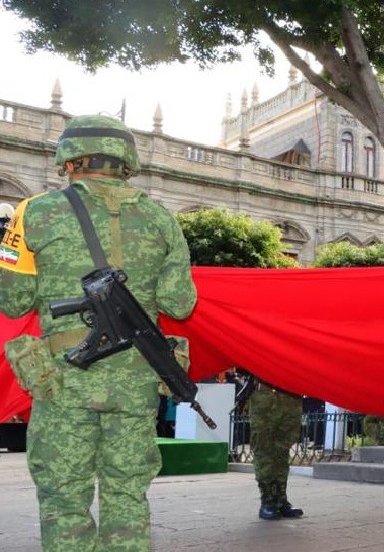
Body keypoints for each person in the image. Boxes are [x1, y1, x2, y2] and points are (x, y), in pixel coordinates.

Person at [0, 114, 198, 551]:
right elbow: (180, 303)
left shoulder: (34, 212)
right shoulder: (161, 219)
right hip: (136, 381)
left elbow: (13, 301)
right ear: (126, 161)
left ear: (69, 159)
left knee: (64, 500)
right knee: (126, 495)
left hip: (63, 381)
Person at [246, 375, 305, 520]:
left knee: (282, 451)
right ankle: (267, 501)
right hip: (265, 396)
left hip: (291, 396)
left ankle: (280, 499)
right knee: (264, 450)